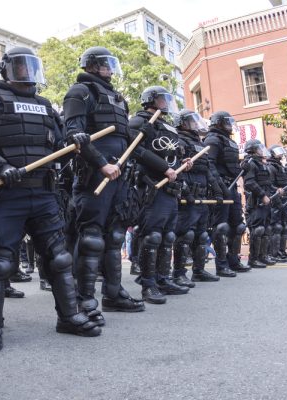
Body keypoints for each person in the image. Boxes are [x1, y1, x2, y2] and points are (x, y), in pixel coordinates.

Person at [0, 46, 101, 352]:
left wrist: (75, 139)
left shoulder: (45, 106)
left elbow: (63, 137)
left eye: (31, 67)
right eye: (20, 67)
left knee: (59, 258)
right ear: (7, 70)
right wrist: (0, 167)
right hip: (6, 192)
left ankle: (69, 316)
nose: (27, 73)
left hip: (44, 192)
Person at [63, 46, 145, 322]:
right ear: (92, 65)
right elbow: (74, 133)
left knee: (116, 236)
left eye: (112, 63)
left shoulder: (119, 99)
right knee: (92, 237)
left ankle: (113, 292)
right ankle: (83, 299)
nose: (111, 68)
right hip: (96, 172)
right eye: (105, 64)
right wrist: (101, 164)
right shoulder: (81, 92)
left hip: (119, 172)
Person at [129, 86, 190, 304]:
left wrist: (184, 162)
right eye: (162, 99)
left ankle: (163, 278)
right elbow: (135, 150)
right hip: (152, 187)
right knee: (153, 236)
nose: (166, 103)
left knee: (168, 236)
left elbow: (172, 151)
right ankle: (148, 284)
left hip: (171, 189)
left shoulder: (168, 127)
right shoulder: (139, 121)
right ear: (151, 101)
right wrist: (163, 168)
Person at [172, 109, 223, 286]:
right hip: (188, 192)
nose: (195, 124)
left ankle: (199, 271)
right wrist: (184, 191)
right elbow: (176, 168)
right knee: (186, 234)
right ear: (182, 123)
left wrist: (217, 190)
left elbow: (207, 169)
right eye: (191, 121)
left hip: (202, 192)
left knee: (201, 235)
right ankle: (178, 273)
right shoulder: (177, 140)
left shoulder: (200, 143)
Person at [204, 111, 250, 276]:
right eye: (227, 122)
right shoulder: (212, 139)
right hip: (221, 187)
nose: (230, 125)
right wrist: (219, 186)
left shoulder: (228, 141)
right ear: (218, 123)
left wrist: (241, 167)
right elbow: (209, 164)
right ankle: (221, 265)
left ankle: (234, 261)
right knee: (221, 227)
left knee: (238, 226)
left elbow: (229, 164)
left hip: (232, 187)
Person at [242, 140, 274, 268]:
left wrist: (275, 190)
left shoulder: (262, 164)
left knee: (266, 229)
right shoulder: (251, 163)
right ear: (254, 150)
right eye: (259, 149)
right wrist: (262, 195)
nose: (262, 151)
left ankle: (263, 256)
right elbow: (249, 182)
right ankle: (253, 259)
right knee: (258, 230)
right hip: (256, 203)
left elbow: (266, 182)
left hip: (265, 201)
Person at [267, 144, 287, 262]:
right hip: (275, 200)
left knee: (284, 227)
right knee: (276, 227)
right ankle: (274, 253)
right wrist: (276, 191)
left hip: (283, 200)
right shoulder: (270, 167)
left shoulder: (280, 167)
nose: (280, 154)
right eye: (277, 152)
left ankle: (281, 251)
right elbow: (269, 184)